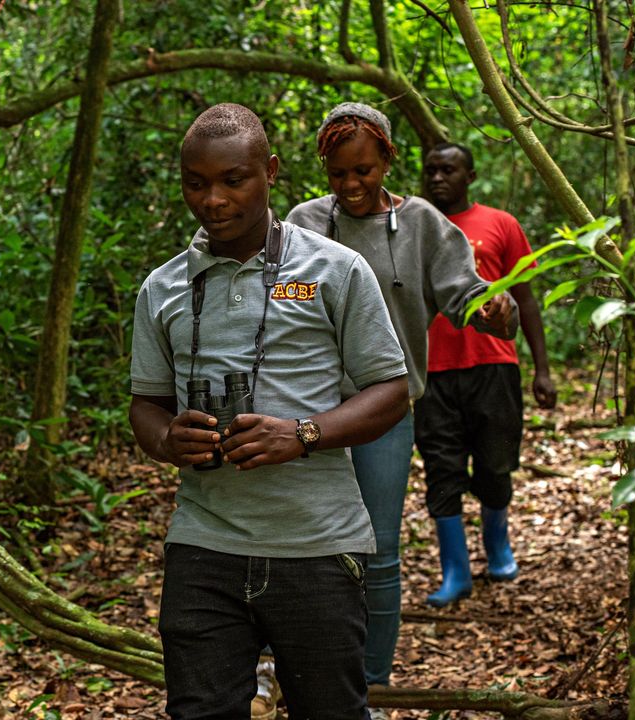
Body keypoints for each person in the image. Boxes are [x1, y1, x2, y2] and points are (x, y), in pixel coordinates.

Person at [130, 102, 409, 719]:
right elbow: (145, 405)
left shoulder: (334, 270)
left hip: (317, 545)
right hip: (203, 545)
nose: (214, 200)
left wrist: (303, 434)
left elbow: (391, 390)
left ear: (271, 172)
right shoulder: (163, 287)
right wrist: (167, 438)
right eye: (196, 184)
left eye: (234, 179)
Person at [282, 103, 518, 695]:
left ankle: (372, 686)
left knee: (379, 550)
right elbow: (281, 295)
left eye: (363, 170)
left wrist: (496, 308)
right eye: (339, 174)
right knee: (296, 546)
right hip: (303, 410)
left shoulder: (421, 223)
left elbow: (465, 293)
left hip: (384, 412)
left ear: (387, 159)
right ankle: (287, 672)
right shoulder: (304, 222)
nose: (352, 185)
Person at [415, 142, 557, 606]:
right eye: (431, 170)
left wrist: (542, 368)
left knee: (495, 467)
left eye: (448, 169)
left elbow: (527, 299)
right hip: (431, 372)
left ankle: (497, 544)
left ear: (470, 175)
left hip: (493, 366)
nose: (438, 178)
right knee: (442, 471)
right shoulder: (413, 226)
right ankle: (455, 571)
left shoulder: (501, 224)